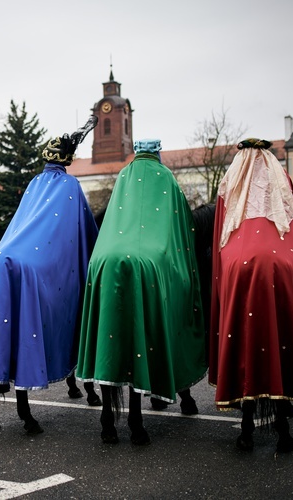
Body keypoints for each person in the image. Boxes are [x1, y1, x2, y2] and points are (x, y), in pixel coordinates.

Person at [0, 117, 99, 434]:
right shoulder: (70, 186)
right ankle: (27, 408)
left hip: (3, 259)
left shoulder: (33, 185)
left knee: (0, 332)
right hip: (38, 264)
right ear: (67, 161)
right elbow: (85, 233)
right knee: (50, 318)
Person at [77, 138, 205, 445]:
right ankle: (137, 421)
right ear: (158, 153)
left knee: (109, 333)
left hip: (106, 258)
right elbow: (181, 229)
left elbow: (113, 217)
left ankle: (107, 419)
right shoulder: (167, 178)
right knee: (159, 320)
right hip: (152, 258)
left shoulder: (123, 176)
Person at [208, 138, 293, 452]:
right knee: (280, 338)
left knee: (242, 339)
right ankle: (284, 430)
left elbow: (220, 237)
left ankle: (245, 430)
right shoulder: (283, 180)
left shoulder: (231, 183)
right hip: (283, 264)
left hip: (239, 265)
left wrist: (220, 279)